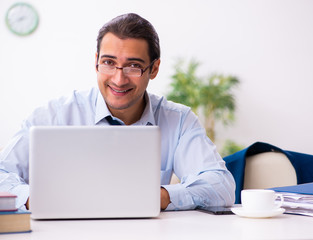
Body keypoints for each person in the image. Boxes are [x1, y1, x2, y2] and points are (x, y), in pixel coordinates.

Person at [0, 13, 235, 211]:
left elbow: (220, 186)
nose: (118, 79)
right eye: (109, 62)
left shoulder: (179, 120)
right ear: (96, 62)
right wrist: (36, 199)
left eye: (133, 66)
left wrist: (155, 197)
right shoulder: (53, 115)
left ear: (154, 69)